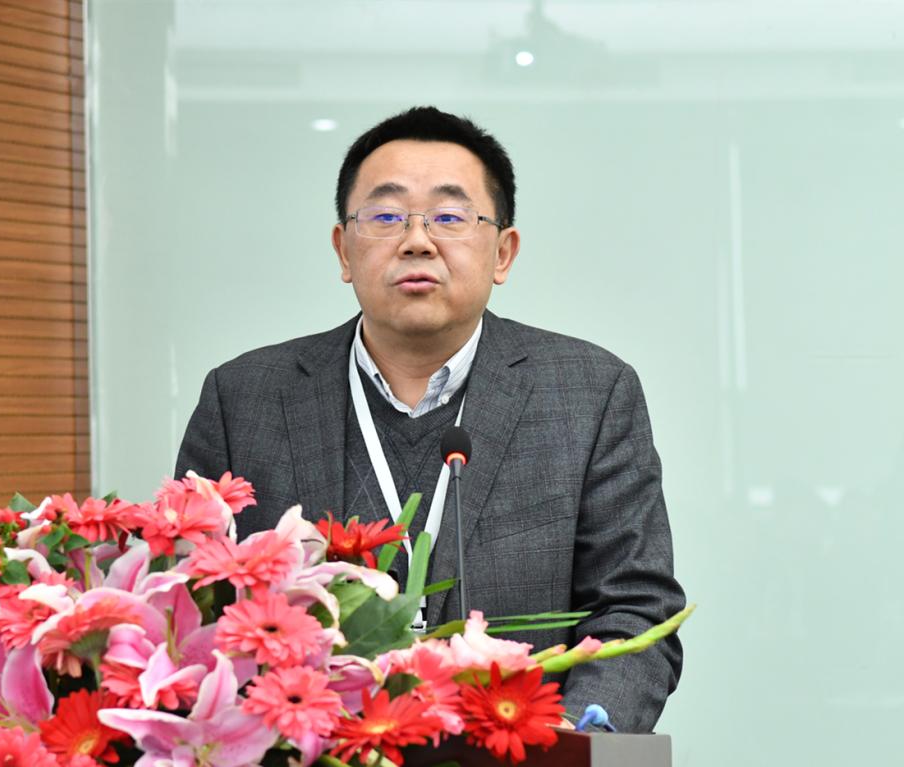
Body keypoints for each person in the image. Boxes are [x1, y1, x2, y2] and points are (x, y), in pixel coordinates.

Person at [175, 106, 685, 732]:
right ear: (343, 249)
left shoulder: (590, 393)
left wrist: (572, 741)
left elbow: (634, 610)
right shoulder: (244, 397)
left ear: (503, 253)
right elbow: (196, 607)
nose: (417, 240)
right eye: (386, 216)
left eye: (449, 217)